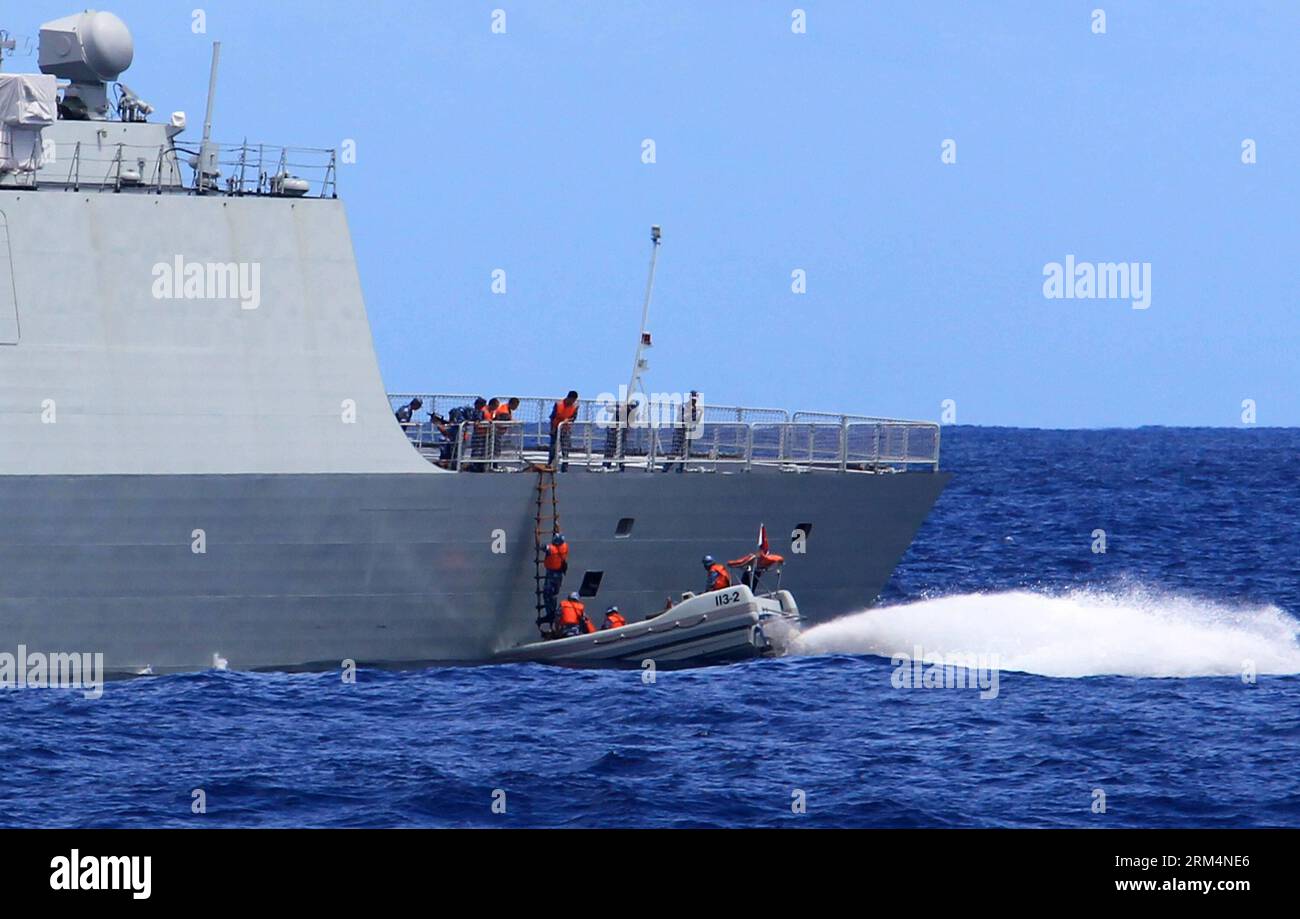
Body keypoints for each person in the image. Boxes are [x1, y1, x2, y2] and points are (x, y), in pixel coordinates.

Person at [663, 391, 701, 473]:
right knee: (674, 450)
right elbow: (682, 418)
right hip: (679, 430)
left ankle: (681, 469)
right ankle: (666, 467)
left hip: (688, 431)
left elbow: (695, 421)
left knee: (685, 451)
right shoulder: (684, 406)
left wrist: (700, 413)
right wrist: (690, 413)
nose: (694, 401)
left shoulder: (694, 408)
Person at [603, 399, 639, 470]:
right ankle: (606, 465)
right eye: (631, 406)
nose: (631, 408)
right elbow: (609, 409)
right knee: (610, 448)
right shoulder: (622, 409)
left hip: (622, 431)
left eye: (633, 407)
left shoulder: (632, 413)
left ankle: (621, 465)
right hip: (613, 430)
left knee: (622, 449)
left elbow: (630, 423)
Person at [541, 534, 568, 624]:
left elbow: (542, 547)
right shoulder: (564, 547)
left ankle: (550, 615)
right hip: (559, 575)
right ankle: (553, 615)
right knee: (554, 595)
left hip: (551, 575)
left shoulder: (551, 549)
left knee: (547, 595)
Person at [549, 391, 579, 472]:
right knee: (553, 449)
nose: (572, 402)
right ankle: (550, 467)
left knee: (565, 450)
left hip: (566, 430)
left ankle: (564, 470)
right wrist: (552, 429)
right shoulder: (558, 404)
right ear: (568, 398)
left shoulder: (575, 406)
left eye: (574, 400)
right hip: (556, 429)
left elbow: (574, 417)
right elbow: (552, 417)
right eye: (572, 400)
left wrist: (568, 420)